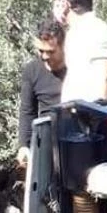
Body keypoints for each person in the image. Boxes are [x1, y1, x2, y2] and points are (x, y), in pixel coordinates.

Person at [53, 0, 107, 102]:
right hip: (75, 114)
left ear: (65, 4)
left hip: (89, 116)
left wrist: (97, 116)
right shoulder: (77, 31)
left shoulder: (95, 29)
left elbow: (105, 77)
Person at [16, 16, 67, 166]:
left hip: (74, 139)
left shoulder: (76, 67)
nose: (45, 56)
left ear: (63, 46)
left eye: (50, 51)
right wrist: (23, 146)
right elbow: (27, 111)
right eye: (41, 51)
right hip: (46, 141)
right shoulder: (32, 70)